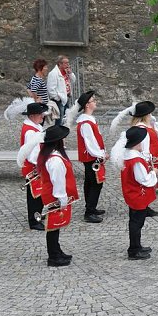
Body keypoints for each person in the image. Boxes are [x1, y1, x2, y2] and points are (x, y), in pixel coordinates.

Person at [27, 125, 77, 266]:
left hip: (52, 194)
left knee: (56, 227)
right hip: (55, 196)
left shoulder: (51, 155)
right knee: (53, 226)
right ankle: (53, 256)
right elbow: (58, 181)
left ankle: (57, 250)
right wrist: (62, 199)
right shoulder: (55, 160)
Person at [112, 101, 158, 217]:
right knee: (143, 182)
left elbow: (157, 129)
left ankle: (145, 205)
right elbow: (142, 148)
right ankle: (142, 206)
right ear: (145, 115)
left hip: (149, 158)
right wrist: (147, 161)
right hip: (144, 159)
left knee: (147, 183)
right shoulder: (141, 130)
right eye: (149, 114)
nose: (151, 116)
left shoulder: (146, 126)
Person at [115, 127, 158, 260]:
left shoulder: (129, 155)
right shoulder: (135, 161)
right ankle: (134, 250)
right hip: (137, 195)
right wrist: (153, 173)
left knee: (136, 221)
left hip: (132, 194)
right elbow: (143, 179)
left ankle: (137, 246)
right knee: (136, 223)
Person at [68, 91, 107, 223]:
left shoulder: (89, 120)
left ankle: (91, 207)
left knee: (91, 182)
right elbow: (90, 143)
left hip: (92, 157)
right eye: (93, 100)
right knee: (95, 183)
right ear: (87, 105)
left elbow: (96, 139)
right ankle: (89, 211)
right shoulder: (85, 123)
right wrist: (101, 154)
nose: (95, 102)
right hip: (91, 158)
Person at [18, 102, 47, 230]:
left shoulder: (34, 126)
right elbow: (32, 154)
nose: (43, 116)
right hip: (34, 167)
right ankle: (34, 221)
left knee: (39, 194)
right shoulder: (30, 131)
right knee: (34, 196)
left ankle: (38, 214)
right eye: (41, 114)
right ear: (33, 115)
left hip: (37, 166)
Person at [46, 56, 76, 126]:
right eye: (66, 63)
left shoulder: (66, 72)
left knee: (66, 117)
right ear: (60, 64)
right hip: (59, 99)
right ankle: (57, 133)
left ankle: (63, 132)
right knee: (60, 118)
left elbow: (73, 80)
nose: (68, 65)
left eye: (68, 63)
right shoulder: (53, 73)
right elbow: (51, 89)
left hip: (67, 97)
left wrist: (71, 73)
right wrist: (58, 98)